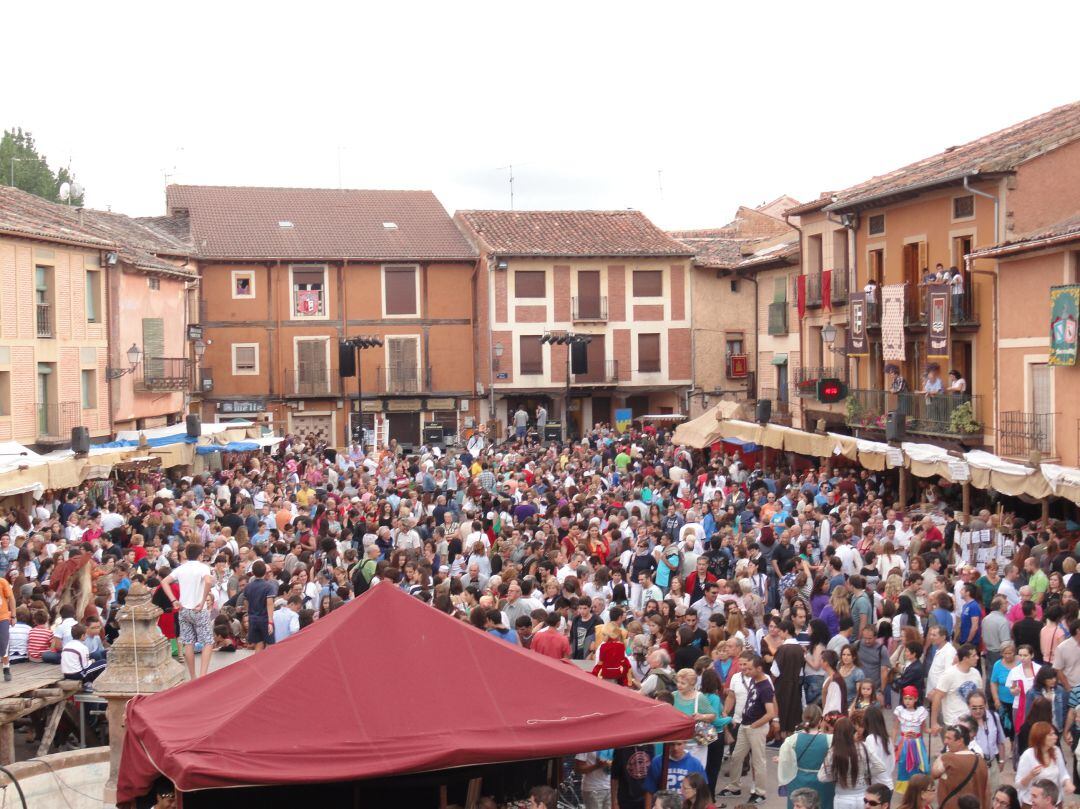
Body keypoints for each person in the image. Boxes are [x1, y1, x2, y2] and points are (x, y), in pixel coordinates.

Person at [718, 653, 775, 803]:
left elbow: (771, 712)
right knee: (736, 757)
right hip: (745, 725)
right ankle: (734, 787)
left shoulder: (765, 686)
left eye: (749, 668)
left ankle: (760, 792)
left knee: (758, 761)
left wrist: (755, 725)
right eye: (745, 668)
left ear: (759, 668)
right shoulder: (754, 681)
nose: (746, 671)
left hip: (755, 728)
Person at [157, 543, 215, 679]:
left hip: (183, 609)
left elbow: (164, 582)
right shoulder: (203, 567)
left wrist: (173, 600)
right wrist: (203, 600)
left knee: (188, 642)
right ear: (200, 555)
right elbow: (208, 581)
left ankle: (193, 676)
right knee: (208, 642)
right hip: (198, 609)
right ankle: (203, 675)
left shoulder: (181, 568)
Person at [816, 716, 889, 809]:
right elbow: (881, 766)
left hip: (842, 797)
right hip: (863, 796)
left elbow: (821, 777)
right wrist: (865, 773)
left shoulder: (834, 751)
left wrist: (838, 776)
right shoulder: (863, 746)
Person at [777, 705, 833, 809]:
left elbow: (785, 762)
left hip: (798, 781)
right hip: (822, 782)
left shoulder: (792, 739)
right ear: (820, 720)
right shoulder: (830, 740)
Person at [1015, 721, 1074, 807]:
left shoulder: (1056, 751)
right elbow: (1018, 784)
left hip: (1054, 803)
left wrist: (1068, 783)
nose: (1056, 737)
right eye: (1051, 734)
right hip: (1033, 804)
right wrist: (1030, 776)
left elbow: (1063, 773)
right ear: (1041, 737)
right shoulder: (1028, 755)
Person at [930, 724, 988, 809]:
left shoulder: (947, 758)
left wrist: (942, 756)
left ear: (960, 740)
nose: (945, 742)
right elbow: (987, 791)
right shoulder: (981, 761)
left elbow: (934, 774)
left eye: (949, 738)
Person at [930, 643, 983, 735]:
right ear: (965, 658)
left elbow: (980, 696)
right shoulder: (949, 674)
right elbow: (937, 698)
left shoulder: (976, 673)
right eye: (974, 656)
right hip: (953, 723)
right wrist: (934, 723)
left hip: (973, 721)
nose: (977, 658)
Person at [642, 740, 706, 808]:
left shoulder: (695, 764)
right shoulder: (657, 762)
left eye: (679, 744)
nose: (675, 748)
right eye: (672, 744)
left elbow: (702, 791)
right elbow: (649, 791)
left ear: (685, 742)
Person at [893, 685, 929, 794]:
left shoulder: (921, 712)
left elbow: (924, 729)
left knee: (920, 764)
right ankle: (905, 788)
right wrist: (893, 742)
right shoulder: (900, 711)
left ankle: (918, 786)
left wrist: (933, 730)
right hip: (904, 742)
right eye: (905, 698)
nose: (907, 701)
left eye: (910, 698)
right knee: (903, 763)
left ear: (916, 699)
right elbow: (895, 728)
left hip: (917, 743)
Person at [241, 560, 277, 651]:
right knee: (270, 644)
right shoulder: (269, 587)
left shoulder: (248, 586)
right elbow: (269, 603)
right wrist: (270, 622)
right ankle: (268, 664)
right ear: (265, 572)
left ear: (253, 573)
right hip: (265, 619)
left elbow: (245, 601)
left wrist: (249, 612)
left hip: (253, 619)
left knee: (258, 643)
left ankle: (258, 664)